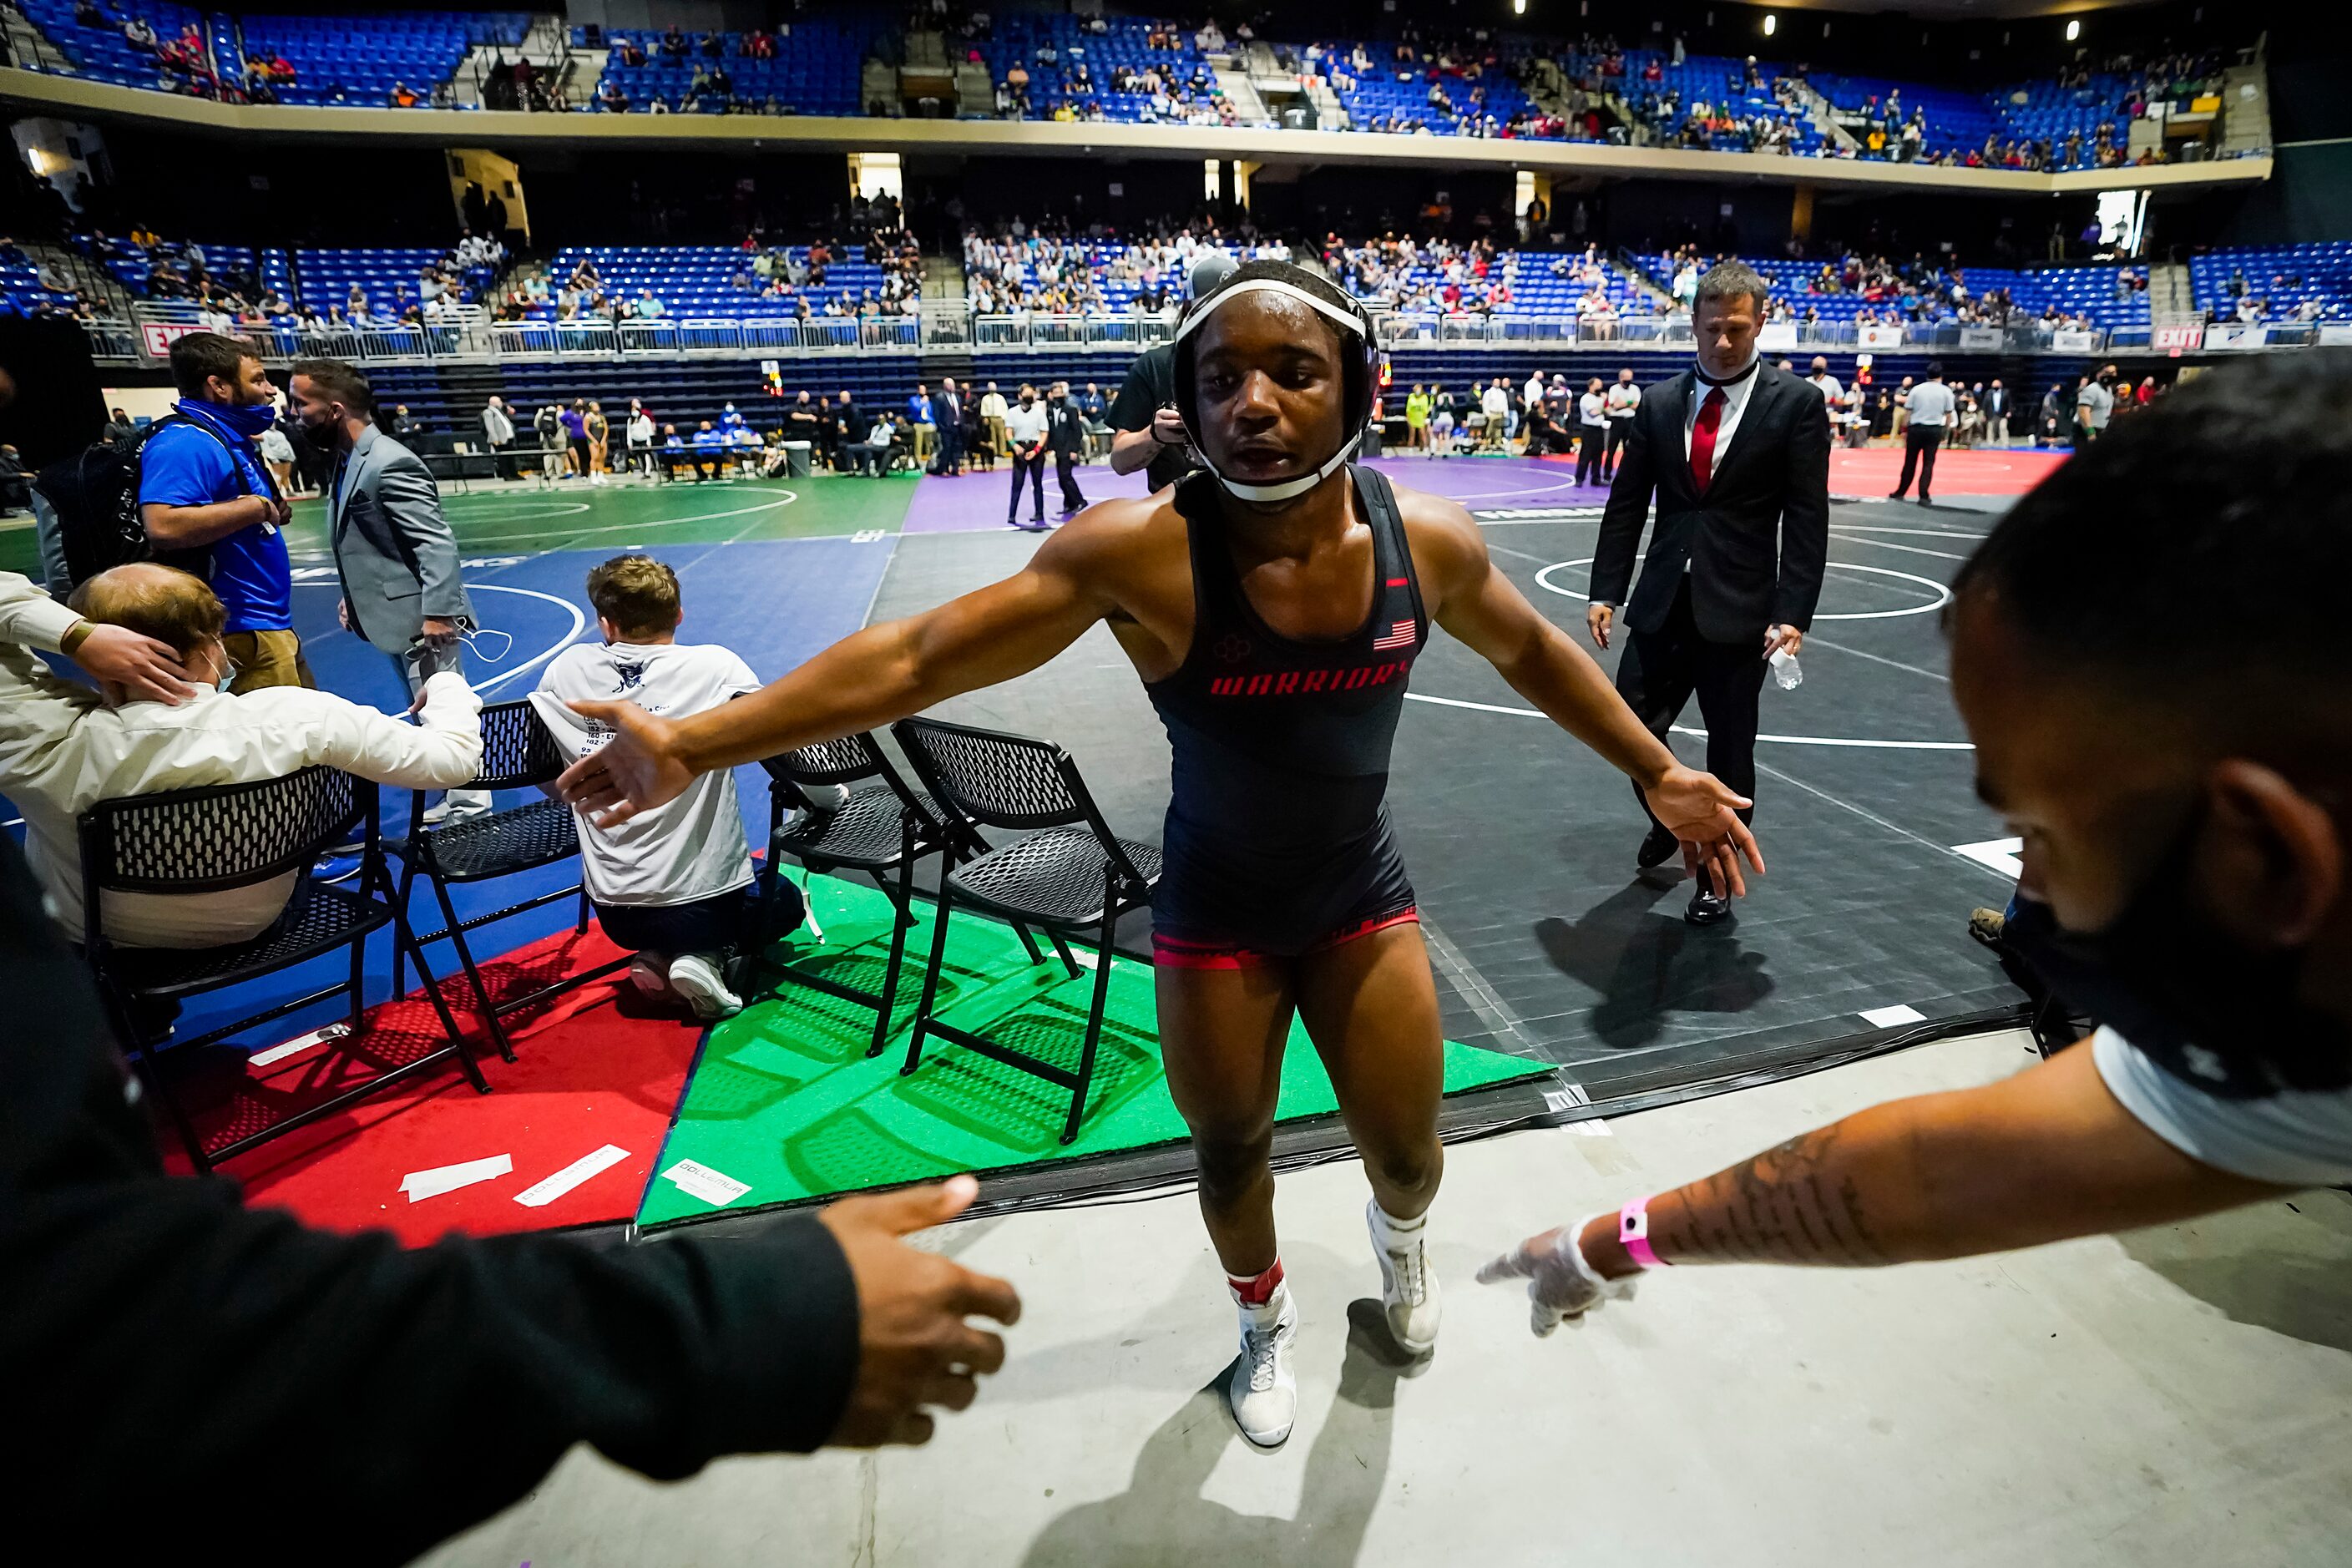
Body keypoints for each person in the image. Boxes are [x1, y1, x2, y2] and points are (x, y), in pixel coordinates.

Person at [551, 260, 1761, 1451]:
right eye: (1223, 376)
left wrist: (1653, 766)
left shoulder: (1426, 544)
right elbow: (916, 658)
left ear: (1360, 387)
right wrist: (696, 744)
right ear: (1188, 398)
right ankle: (1261, 1319)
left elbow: (1534, 653)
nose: (1254, 403)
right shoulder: (1140, 552)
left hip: (1358, 897)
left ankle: (1399, 1247)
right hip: (1215, 913)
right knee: (1231, 1146)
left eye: (1293, 372)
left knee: (1408, 1148)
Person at [1481, 357, 2352, 1333]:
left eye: (2040, 834)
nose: (2033, 884)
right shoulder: (2297, 1032)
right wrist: (1611, 1241)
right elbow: (1939, 1171)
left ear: (2272, 864)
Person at [3, 813, 1023, 1563]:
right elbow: (100, 1343)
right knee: (768, 889)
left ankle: (680, 956)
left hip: (599, 902)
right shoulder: (279, 725)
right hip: (291, 922)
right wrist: (739, 1324)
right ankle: (710, 948)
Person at [0, 564, 482, 948]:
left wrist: (74, 636)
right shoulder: (298, 717)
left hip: (102, 943)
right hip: (257, 927)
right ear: (212, 644)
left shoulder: (45, 745)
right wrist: (445, 684)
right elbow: (450, 761)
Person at [1589, 259, 1829, 926]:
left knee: (1730, 749)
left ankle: (1713, 883)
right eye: (1713, 328)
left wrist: (1792, 612)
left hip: (1743, 612)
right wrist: (1605, 588)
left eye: (1737, 329)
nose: (1724, 342)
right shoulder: (1661, 402)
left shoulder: (1796, 405)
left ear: (1760, 324)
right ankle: (1672, 819)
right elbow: (1626, 503)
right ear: (1692, 323)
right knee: (1630, 734)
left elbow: (1807, 516)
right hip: (1662, 601)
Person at [533, 556, 764, 1019]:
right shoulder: (718, 667)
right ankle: (704, 957)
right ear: (679, 614)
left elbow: (541, 771)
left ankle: (654, 957)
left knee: (668, 912)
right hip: (708, 906)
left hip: (617, 912)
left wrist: (589, 796)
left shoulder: (565, 670)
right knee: (779, 899)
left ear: (605, 622)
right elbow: (790, 753)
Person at [288, 357, 493, 822]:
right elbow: (371, 547)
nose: (296, 413)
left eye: (303, 403)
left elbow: (435, 541)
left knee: (445, 706)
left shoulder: (390, 460)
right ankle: (453, 793)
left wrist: (440, 612)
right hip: (394, 615)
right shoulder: (347, 462)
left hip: (424, 617)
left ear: (336, 409)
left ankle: (471, 802)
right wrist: (354, 596)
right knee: (423, 707)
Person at [136, 333, 305, 692]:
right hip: (237, 629)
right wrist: (254, 507)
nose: (270, 390)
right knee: (279, 745)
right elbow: (163, 525)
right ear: (219, 387)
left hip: (267, 623)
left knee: (315, 737)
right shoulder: (185, 441)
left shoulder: (225, 437)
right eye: (258, 379)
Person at [1110, 253, 1239, 493]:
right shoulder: (1156, 365)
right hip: (1176, 518)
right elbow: (1120, 460)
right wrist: (1154, 436)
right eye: (1211, 308)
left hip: (1249, 516)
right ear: (1189, 308)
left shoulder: (1260, 368)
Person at [1889, 360, 1955, 505]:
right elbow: (1948, 414)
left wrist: (1905, 428)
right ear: (1940, 376)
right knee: (1928, 463)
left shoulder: (1917, 390)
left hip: (1916, 429)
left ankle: (1901, 491)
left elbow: (1908, 411)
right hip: (1934, 429)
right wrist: (1945, 432)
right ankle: (1924, 495)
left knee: (1909, 462)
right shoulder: (1946, 391)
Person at [1002, 383, 1050, 530]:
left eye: (1031, 394)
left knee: (1038, 484)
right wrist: (1014, 446)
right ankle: (1012, 514)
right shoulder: (1012, 412)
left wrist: (1036, 450)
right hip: (1020, 448)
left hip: (1035, 448)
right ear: (1019, 396)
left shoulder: (1039, 413)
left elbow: (1044, 433)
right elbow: (1008, 431)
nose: (1030, 396)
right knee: (1017, 483)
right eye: (1027, 394)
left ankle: (1039, 513)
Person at [1045, 379, 1088, 516]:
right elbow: (1052, 430)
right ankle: (1068, 503)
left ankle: (1079, 500)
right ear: (1051, 394)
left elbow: (1077, 431)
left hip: (1068, 449)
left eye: (1060, 393)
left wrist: (1074, 449)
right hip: (1058, 449)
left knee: (1066, 476)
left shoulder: (1070, 410)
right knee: (1062, 477)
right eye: (1055, 393)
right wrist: (1050, 447)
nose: (1058, 395)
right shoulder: (1050, 411)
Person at [1602, 367, 1641, 478]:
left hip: (1630, 421)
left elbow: (1637, 405)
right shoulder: (1614, 389)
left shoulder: (1635, 389)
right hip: (1617, 421)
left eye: (1630, 379)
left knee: (1629, 449)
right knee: (1611, 450)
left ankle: (1627, 474)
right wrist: (1630, 403)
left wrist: (1624, 403)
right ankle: (1607, 474)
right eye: (1626, 379)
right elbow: (1615, 405)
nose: (1628, 381)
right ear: (1621, 378)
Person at [1575, 376, 1609, 488]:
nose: (1600, 387)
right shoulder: (1586, 398)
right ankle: (1579, 478)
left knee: (1598, 455)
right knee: (1586, 455)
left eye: (1601, 385)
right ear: (1591, 386)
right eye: (1598, 385)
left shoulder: (1600, 398)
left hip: (1599, 429)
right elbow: (1593, 412)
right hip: (1589, 429)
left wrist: (1605, 402)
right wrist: (1604, 406)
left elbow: (1609, 410)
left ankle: (1596, 478)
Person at [480, 394, 518, 479]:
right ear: (494, 403)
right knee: (503, 459)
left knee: (511, 458)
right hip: (500, 439)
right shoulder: (488, 412)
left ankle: (514, 474)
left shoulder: (500, 411)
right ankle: (507, 475)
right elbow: (490, 427)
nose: (501, 403)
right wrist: (495, 439)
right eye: (500, 401)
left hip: (508, 439)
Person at [2075, 367, 2115, 445]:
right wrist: (2090, 433)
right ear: (2098, 374)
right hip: (2087, 431)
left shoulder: (2108, 390)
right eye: (2107, 372)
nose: (2112, 375)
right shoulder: (2093, 389)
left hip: (2101, 430)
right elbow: (2083, 411)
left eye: (2113, 372)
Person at [626, 402, 657, 476]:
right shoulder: (630, 420)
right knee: (634, 457)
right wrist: (629, 443)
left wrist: (649, 442)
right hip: (635, 441)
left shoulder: (645, 419)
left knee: (645, 456)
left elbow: (649, 431)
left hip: (644, 441)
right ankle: (634, 470)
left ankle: (647, 471)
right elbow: (629, 432)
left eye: (635, 410)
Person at [979, 381, 1009, 458]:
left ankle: (1002, 452)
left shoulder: (1000, 397)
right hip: (990, 418)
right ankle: (994, 452)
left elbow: (1005, 408)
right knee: (993, 436)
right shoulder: (985, 398)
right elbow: (983, 409)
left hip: (999, 418)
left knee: (1001, 436)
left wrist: (1004, 418)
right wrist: (985, 417)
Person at [585, 400, 610, 486]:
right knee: (595, 458)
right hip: (593, 440)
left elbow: (606, 429)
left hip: (602, 440)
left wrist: (603, 440)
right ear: (591, 408)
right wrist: (593, 440)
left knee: (602, 458)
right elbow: (586, 430)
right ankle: (593, 476)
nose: (597, 407)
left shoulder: (602, 417)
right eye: (594, 406)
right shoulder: (588, 417)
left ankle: (601, 475)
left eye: (597, 405)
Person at [1982, 377, 2011, 445]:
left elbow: (2010, 403)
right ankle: (1990, 442)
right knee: (1990, 429)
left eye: (1997, 385)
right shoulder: (1988, 393)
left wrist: (2009, 411)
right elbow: (1985, 404)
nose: (1995, 386)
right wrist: (1984, 415)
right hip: (1991, 414)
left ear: (2001, 385)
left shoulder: (2006, 392)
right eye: (1994, 385)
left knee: (2003, 427)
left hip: (2002, 414)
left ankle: (2005, 442)